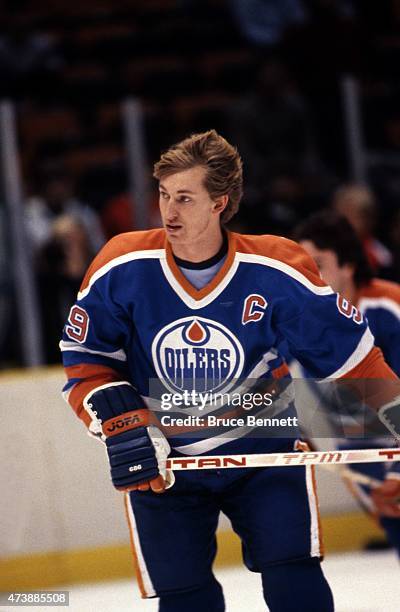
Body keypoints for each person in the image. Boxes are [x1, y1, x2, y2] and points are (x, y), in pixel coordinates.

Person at [60, 130, 400, 612]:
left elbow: (351, 358)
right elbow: (86, 362)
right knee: (184, 597)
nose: (168, 212)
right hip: (167, 462)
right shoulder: (122, 265)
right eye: (163, 195)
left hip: (265, 447)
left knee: (293, 577)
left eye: (184, 198)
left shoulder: (277, 267)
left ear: (220, 202)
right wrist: (121, 422)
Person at [294, 210, 400, 551]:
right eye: (302, 268)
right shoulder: (294, 317)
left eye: (319, 264)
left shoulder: (390, 309)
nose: (309, 278)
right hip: (360, 451)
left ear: (349, 265)